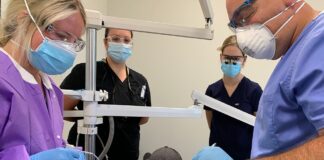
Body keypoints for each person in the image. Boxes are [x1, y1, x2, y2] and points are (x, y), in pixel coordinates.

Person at [226, 0, 324, 159]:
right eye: (236, 26)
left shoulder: (319, 42)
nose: (242, 36)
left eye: (245, 16)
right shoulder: (296, 51)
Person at [0, 0, 86, 160]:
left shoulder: (50, 88)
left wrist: (64, 150)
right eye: (61, 36)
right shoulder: (3, 80)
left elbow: (43, 142)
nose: (67, 48)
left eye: (75, 42)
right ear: (23, 20)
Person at [61, 28, 151, 160]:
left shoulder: (140, 80)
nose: (121, 44)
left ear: (131, 44)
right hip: (89, 150)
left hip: (127, 152)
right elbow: (62, 108)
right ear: (105, 42)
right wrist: (89, 118)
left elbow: (144, 118)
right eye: (115, 39)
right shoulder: (86, 72)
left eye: (126, 40)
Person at [204, 35, 262, 160]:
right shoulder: (212, 91)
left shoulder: (253, 91)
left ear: (244, 60)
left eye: (236, 58)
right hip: (216, 155)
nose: (231, 62)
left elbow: (260, 129)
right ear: (221, 57)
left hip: (245, 156)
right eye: (227, 58)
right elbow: (212, 125)